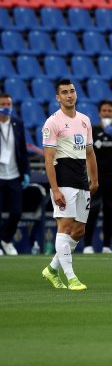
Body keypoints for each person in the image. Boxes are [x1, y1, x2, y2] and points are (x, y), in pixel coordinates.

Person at [41, 79, 98, 291]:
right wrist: (54, 189)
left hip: (82, 180)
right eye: (64, 92)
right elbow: (49, 159)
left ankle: (52, 269)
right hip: (64, 180)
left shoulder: (85, 120)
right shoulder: (52, 122)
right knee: (64, 228)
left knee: (79, 231)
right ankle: (71, 278)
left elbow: (90, 152)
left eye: (72, 91)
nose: (69, 95)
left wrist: (95, 178)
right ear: (58, 97)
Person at [83, 100, 112, 254]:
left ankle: (107, 246)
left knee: (109, 212)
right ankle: (88, 245)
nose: (107, 113)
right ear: (99, 113)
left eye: (110, 111)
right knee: (92, 211)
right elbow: (85, 152)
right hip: (95, 178)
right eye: (104, 111)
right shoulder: (92, 130)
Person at [0, 94, 30, 255]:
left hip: (14, 175)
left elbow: (23, 152)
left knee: (16, 212)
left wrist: (26, 173)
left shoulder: (18, 124)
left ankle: (5, 239)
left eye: (8, 104)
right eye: (3, 103)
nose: (6, 106)